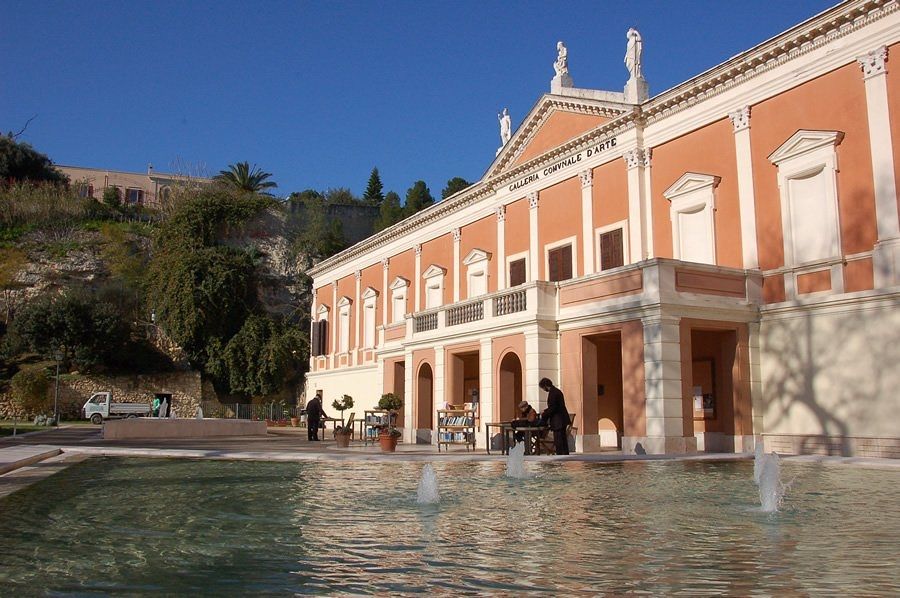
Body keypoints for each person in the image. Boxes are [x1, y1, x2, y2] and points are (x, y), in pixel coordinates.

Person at [539, 378, 571, 455]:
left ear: (546, 386)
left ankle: (561, 455)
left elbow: (553, 408)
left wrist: (544, 413)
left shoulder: (553, 393)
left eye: (543, 388)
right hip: (561, 419)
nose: (544, 390)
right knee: (562, 439)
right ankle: (564, 454)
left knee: (559, 439)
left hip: (558, 420)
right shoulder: (556, 391)